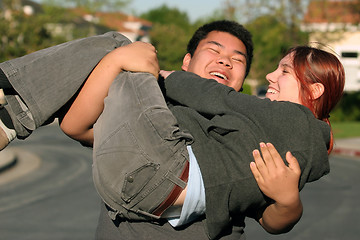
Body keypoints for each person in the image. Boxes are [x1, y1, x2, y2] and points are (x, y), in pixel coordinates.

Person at [0, 20, 344, 239]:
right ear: (186, 63)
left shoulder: (248, 129)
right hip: (131, 189)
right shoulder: (147, 105)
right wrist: (122, 62)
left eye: (237, 60)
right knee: (120, 45)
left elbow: (273, 221)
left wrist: (288, 202)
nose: (225, 60)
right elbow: (76, 125)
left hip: (160, 187)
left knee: (120, 43)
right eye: (214, 50)